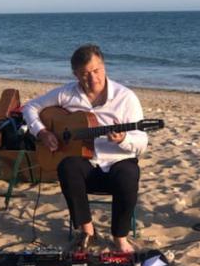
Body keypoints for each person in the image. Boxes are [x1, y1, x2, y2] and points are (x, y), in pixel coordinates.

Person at [22, 44, 147, 253]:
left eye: (96, 70)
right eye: (84, 74)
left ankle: (120, 237)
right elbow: (30, 107)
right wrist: (43, 133)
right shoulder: (66, 93)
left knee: (129, 173)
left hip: (117, 161)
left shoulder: (126, 98)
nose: (92, 78)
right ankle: (87, 231)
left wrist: (123, 139)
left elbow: (142, 143)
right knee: (67, 166)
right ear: (76, 75)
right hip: (85, 163)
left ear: (104, 67)